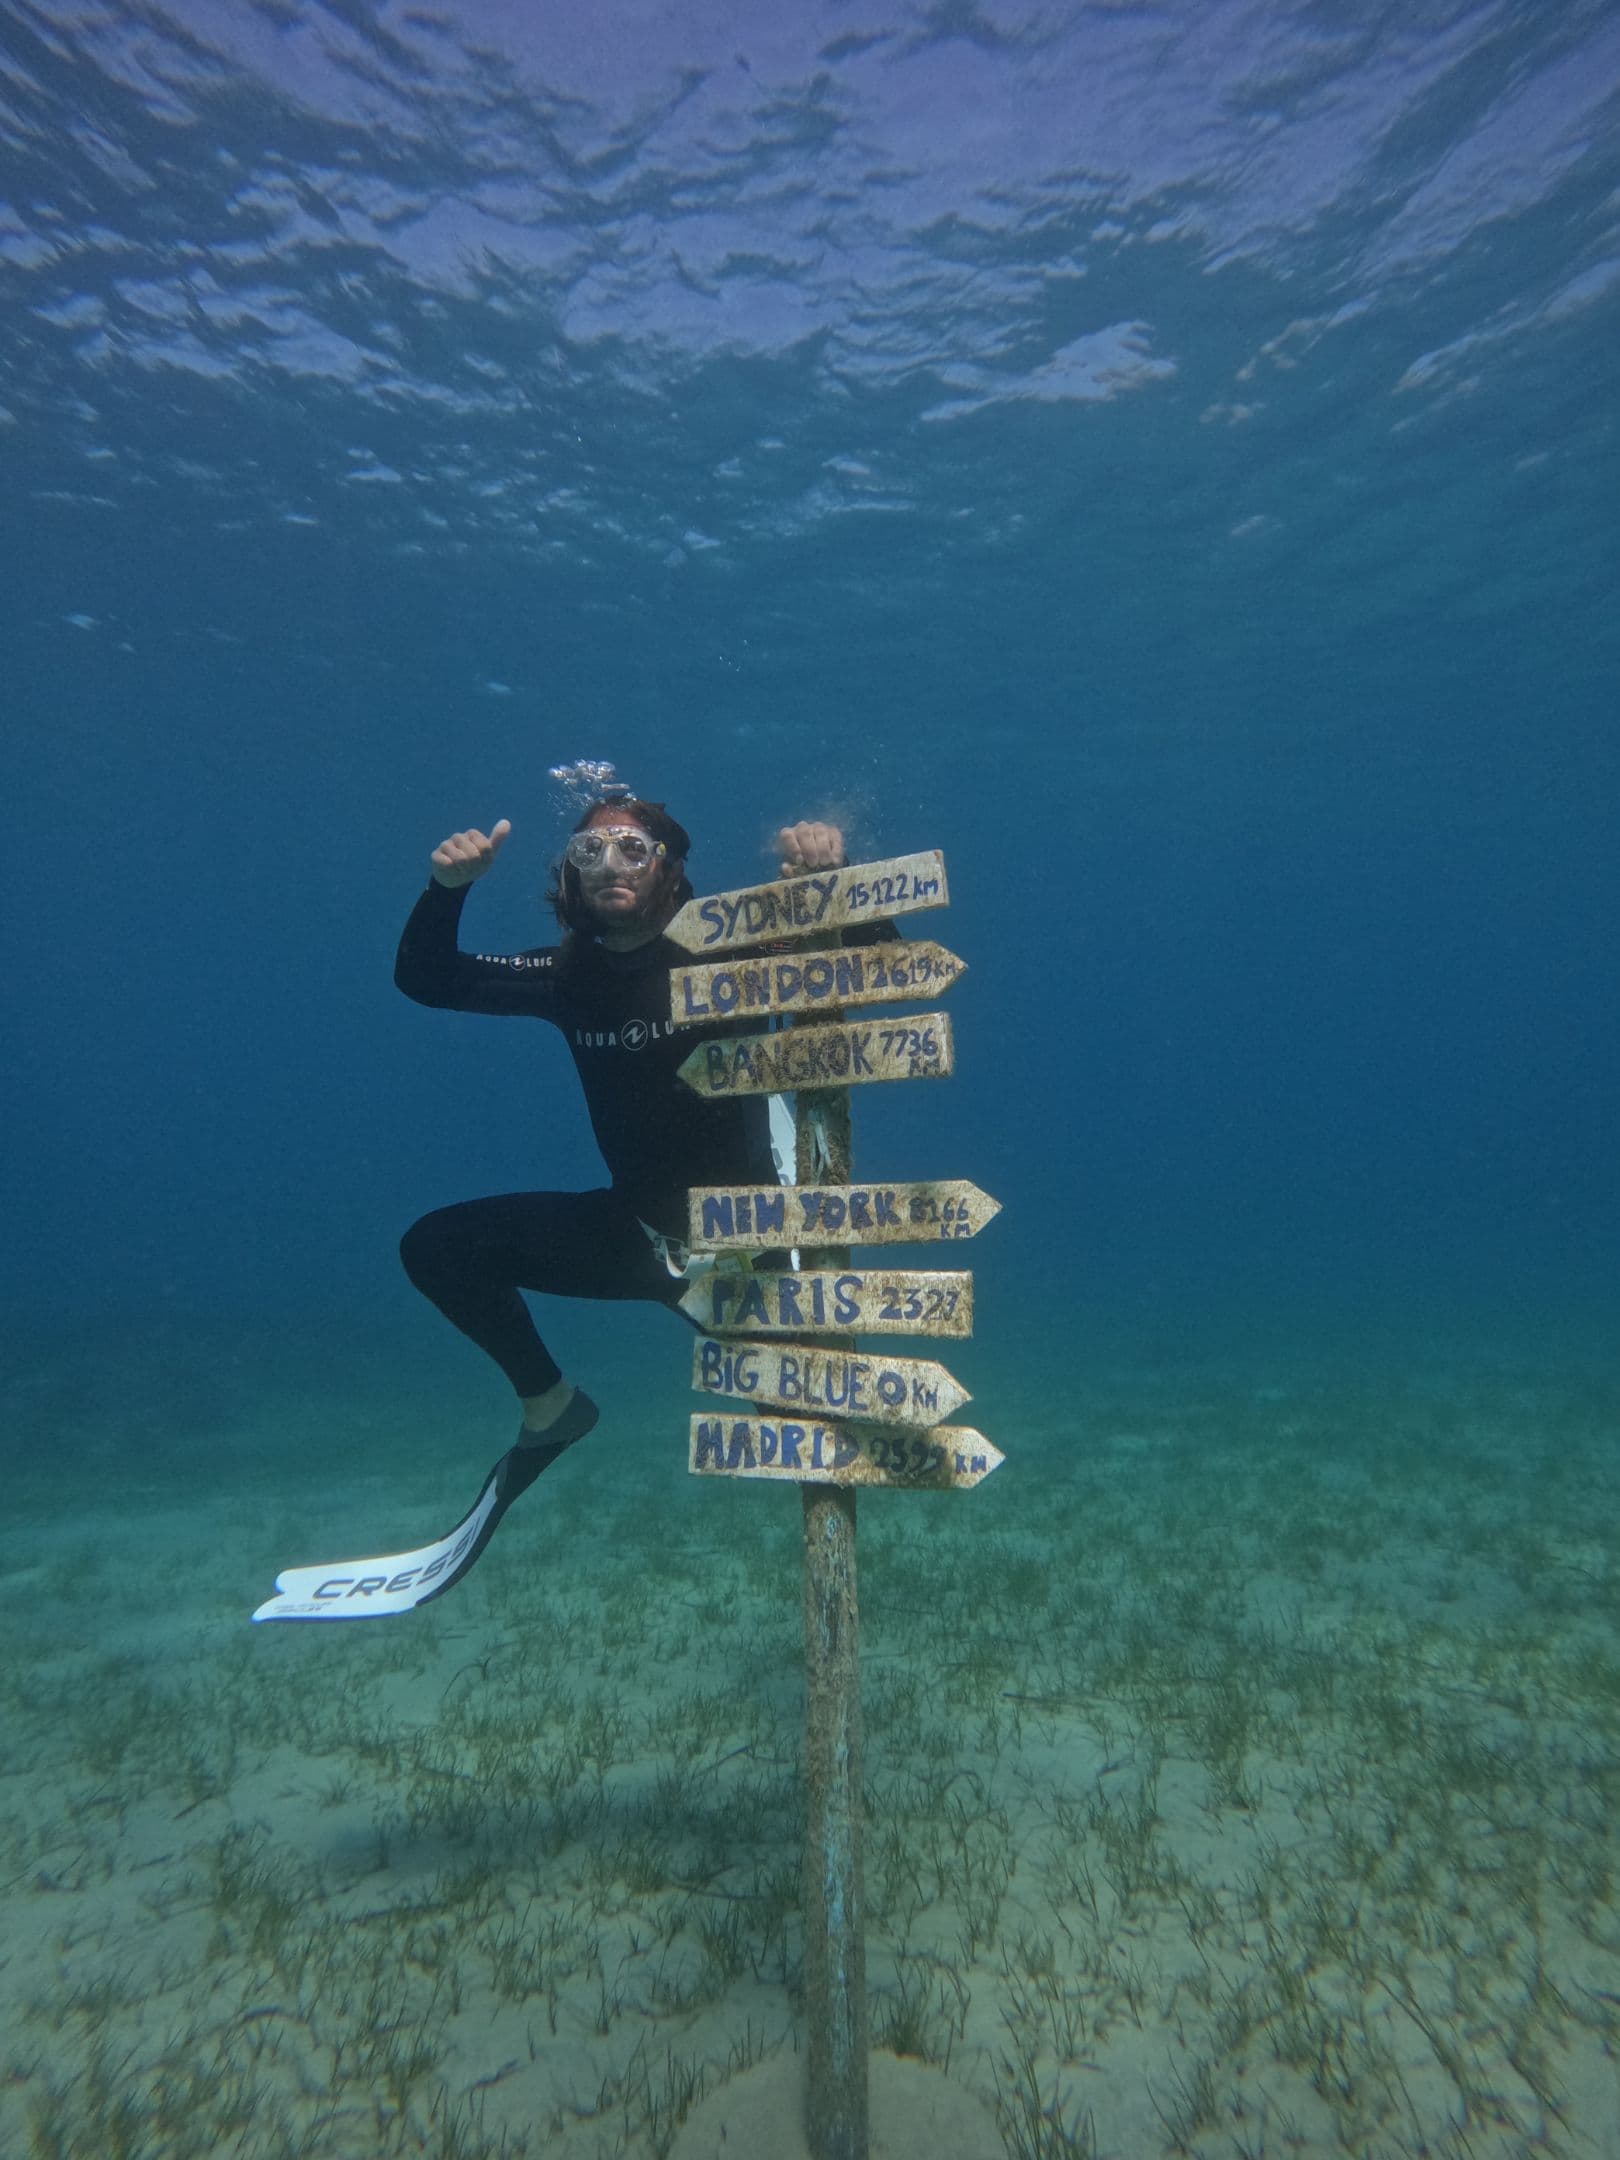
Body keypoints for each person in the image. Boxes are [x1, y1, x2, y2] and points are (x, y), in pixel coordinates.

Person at [394, 797, 851, 1503]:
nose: (610, 864)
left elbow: (871, 961)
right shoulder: (567, 974)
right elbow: (427, 980)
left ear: (668, 866)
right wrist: (447, 888)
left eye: (632, 849)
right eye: (588, 852)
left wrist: (832, 880)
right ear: (571, 877)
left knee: (814, 1448)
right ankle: (550, 1407)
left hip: (741, 1256)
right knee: (436, 1247)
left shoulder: (728, 948)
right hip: (636, 1235)